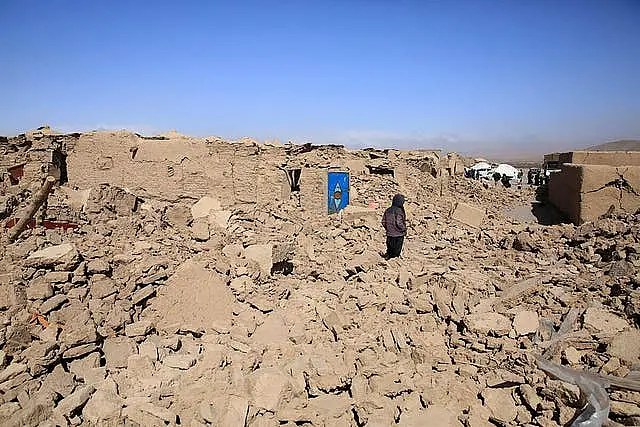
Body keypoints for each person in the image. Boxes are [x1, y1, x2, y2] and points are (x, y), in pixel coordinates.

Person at [382, 194, 407, 259]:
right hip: (398, 235)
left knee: (390, 251)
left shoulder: (388, 210)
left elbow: (383, 222)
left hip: (389, 234)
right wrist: (404, 229)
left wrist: (388, 229)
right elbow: (399, 222)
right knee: (396, 254)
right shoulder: (399, 211)